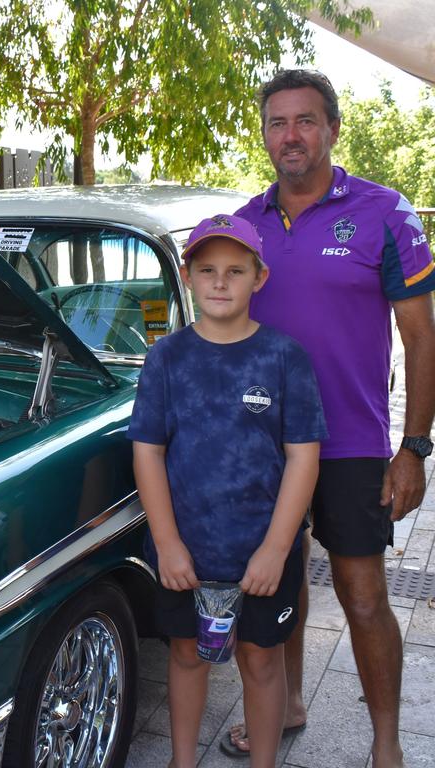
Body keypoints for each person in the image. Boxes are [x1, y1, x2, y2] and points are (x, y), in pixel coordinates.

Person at [221, 69, 435, 768]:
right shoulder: (244, 225)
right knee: (279, 577)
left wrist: (414, 447)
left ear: (332, 129)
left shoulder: (387, 213)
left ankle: (386, 742)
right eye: (278, 122)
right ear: (264, 134)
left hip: (349, 443)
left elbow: (422, 337)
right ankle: (288, 704)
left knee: (364, 595)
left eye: (306, 120)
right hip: (264, 447)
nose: (291, 135)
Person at [129, 214, 327, 768]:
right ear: (188, 276)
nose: (221, 282)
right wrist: (166, 543)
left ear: (259, 278)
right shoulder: (167, 357)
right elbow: (148, 450)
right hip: (185, 553)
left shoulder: (285, 358)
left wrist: (275, 548)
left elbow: (303, 457)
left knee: (262, 662)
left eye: (235, 270)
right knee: (188, 654)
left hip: (264, 553)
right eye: (208, 269)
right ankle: (182, 760)